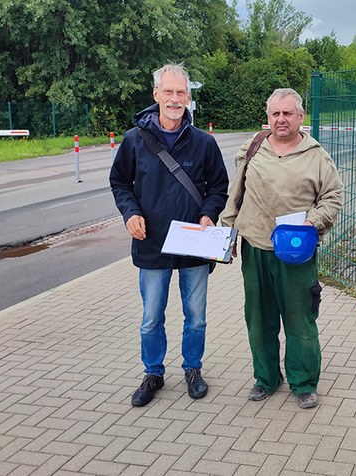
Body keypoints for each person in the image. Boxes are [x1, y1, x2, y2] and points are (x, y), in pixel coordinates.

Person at [110, 63, 229, 407]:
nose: (175, 99)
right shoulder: (135, 141)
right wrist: (130, 212)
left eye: (181, 93)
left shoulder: (204, 143)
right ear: (156, 95)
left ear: (188, 98)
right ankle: (153, 372)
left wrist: (209, 214)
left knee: (196, 316)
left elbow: (219, 186)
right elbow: (119, 182)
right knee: (151, 318)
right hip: (152, 243)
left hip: (194, 242)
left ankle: (193, 369)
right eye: (169, 92)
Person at [220, 88, 343, 409]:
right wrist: (228, 234)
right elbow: (236, 194)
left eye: (288, 113)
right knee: (259, 318)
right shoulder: (252, 149)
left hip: (297, 253)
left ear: (301, 117)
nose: (281, 119)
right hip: (256, 248)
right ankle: (266, 378)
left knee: (299, 318)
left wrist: (312, 222)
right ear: (268, 117)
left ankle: (303, 382)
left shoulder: (317, 156)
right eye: (275, 113)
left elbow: (333, 198)